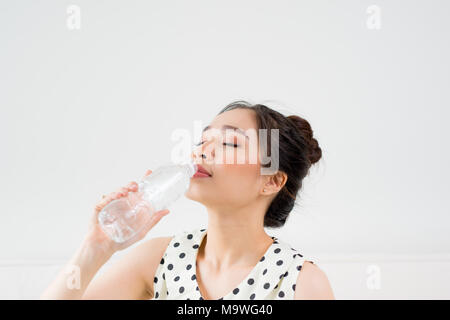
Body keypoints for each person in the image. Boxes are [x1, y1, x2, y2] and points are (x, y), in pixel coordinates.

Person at [40, 100, 334, 300]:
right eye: (202, 141)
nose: (202, 150)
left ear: (271, 180)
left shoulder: (301, 283)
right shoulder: (159, 259)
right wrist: (96, 248)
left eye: (230, 143)